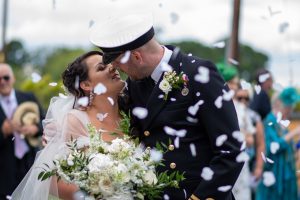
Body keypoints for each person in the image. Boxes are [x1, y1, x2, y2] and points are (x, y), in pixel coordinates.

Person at [89, 13, 244, 200]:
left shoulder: (199, 75)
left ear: (137, 57)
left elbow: (230, 151)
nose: (117, 70)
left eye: (118, 64)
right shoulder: (134, 85)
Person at [11, 51, 127, 199]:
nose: (111, 67)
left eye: (109, 63)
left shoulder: (131, 113)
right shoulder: (75, 120)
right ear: (86, 84)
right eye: (101, 68)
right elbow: (54, 179)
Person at [0, 63, 44, 199]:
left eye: (6, 78)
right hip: (3, 168)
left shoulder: (28, 97)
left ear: (13, 78)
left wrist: (35, 128)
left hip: (29, 161)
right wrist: (2, 132)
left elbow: (45, 121)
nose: (2, 82)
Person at [216, 63, 254, 200]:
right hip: (218, 163)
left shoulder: (242, 109)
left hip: (240, 163)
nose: (234, 87)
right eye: (230, 82)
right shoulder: (213, 107)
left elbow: (250, 140)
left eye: (236, 84)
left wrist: (237, 137)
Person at [256, 87, 300, 200]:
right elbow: (272, 147)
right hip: (274, 172)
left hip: (286, 173)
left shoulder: (282, 124)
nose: (290, 110)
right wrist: (295, 132)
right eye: (288, 106)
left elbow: (289, 150)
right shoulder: (269, 121)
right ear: (279, 103)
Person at [235, 88, 265, 199]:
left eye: (246, 98)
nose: (243, 100)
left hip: (248, 163)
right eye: (239, 98)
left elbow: (260, 143)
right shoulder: (229, 115)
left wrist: (259, 167)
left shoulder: (254, 117)